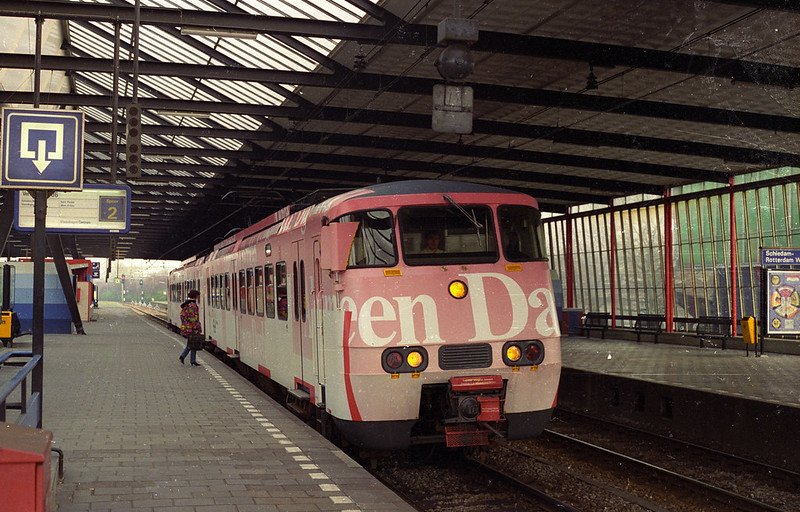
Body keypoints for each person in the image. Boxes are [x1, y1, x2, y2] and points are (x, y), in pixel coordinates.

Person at [179, 289, 202, 367]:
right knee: (191, 343)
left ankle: (193, 360)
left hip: (187, 327)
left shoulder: (187, 304)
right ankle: (182, 356)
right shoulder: (192, 305)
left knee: (193, 343)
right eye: (198, 296)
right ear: (195, 296)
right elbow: (193, 317)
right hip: (191, 327)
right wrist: (196, 327)